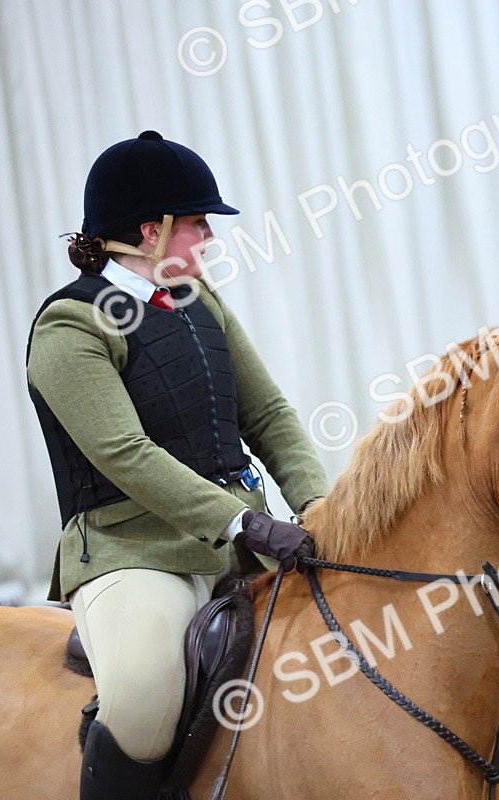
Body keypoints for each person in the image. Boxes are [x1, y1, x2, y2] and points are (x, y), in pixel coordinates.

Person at [26, 130, 330, 800]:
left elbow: (269, 414)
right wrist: (245, 522)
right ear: (149, 231)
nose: (208, 239)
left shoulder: (200, 302)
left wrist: (315, 505)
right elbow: (125, 456)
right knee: (142, 700)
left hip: (239, 544)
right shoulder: (70, 328)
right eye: (197, 224)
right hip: (131, 550)